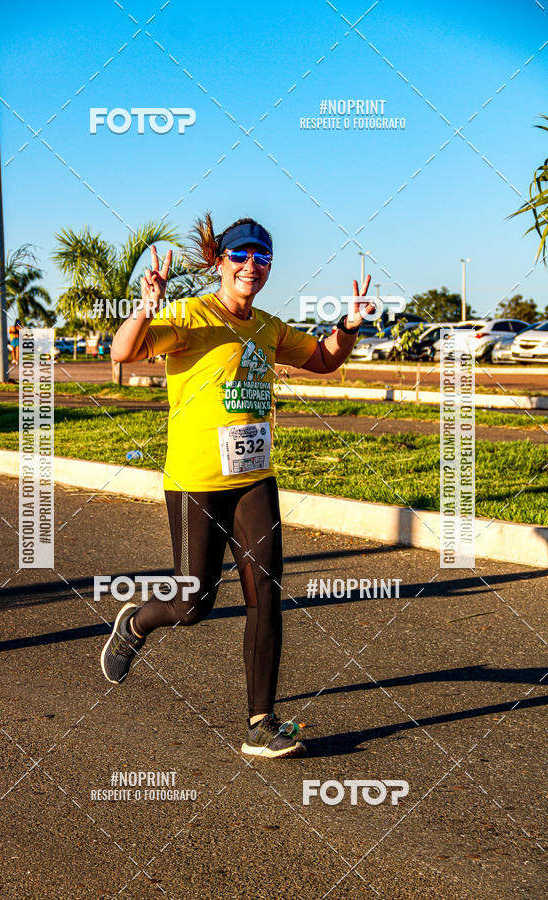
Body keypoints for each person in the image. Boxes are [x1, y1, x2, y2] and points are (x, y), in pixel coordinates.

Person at [101, 214, 374, 758]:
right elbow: (122, 352)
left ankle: (261, 722)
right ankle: (134, 621)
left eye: (263, 257)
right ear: (220, 262)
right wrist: (146, 306)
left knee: (265, 595)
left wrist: (348, 325)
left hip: (254, 479)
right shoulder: (188, 316)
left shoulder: (267, 327)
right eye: (242, 255)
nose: (253, 265)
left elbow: (322, 361)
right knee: (194, 601)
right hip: (197, 479)